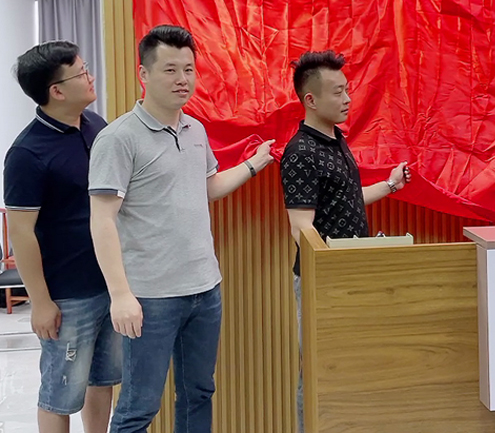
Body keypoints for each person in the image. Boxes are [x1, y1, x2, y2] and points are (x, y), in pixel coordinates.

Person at [88, 25, 275, 433]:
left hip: (205, 289)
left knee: (199, 393)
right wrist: (120, 295)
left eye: (188, 69)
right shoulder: (118, 138)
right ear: (144, 74)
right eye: (170, 70)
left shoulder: (195, 130)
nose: (182, 79)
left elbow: (208, 188)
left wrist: (254, 164)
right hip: (150, 297)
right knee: (139, 407)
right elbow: (101, 219)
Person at [280, 50, 411, 432]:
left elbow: (346, 200)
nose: (348, 99)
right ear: (311, 99)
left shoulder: (336, 140)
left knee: (351, 369)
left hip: (352, 276)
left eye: (347, 90)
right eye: (337, 92)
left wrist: (390, 185)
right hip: (324, 281)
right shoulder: (301, 152)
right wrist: (330, 275)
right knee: (319, 370)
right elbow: (301, 228)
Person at [3, 41, 121, 433]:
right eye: (82, 72)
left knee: (102, 380)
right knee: (60, 393)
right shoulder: (27, 153)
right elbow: (21, 233)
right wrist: (40, 302)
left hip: (108, 282)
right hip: (67, 295)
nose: (91, 77)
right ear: (57, 91)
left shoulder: (95, 125)